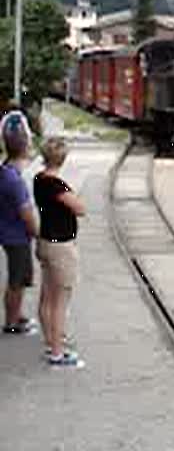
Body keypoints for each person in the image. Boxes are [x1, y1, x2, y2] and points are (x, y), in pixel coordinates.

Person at [34, 137, 85, 368]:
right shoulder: (57, 186)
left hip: (45, 242)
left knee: (47, 297)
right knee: (59, 302)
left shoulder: (39, 180)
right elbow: (80, 208)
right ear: (63, 158)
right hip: (60, 248)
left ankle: (50, 341)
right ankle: (57, 352)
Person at [0, 110, 39, 336]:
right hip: (17, 237)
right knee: (18, 280)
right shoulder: (15, 181)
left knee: (20, 278)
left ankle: (16, 313)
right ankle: (12, 321)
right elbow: (26, 214)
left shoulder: (5, 171)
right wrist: (37, 232)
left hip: (9, 234)